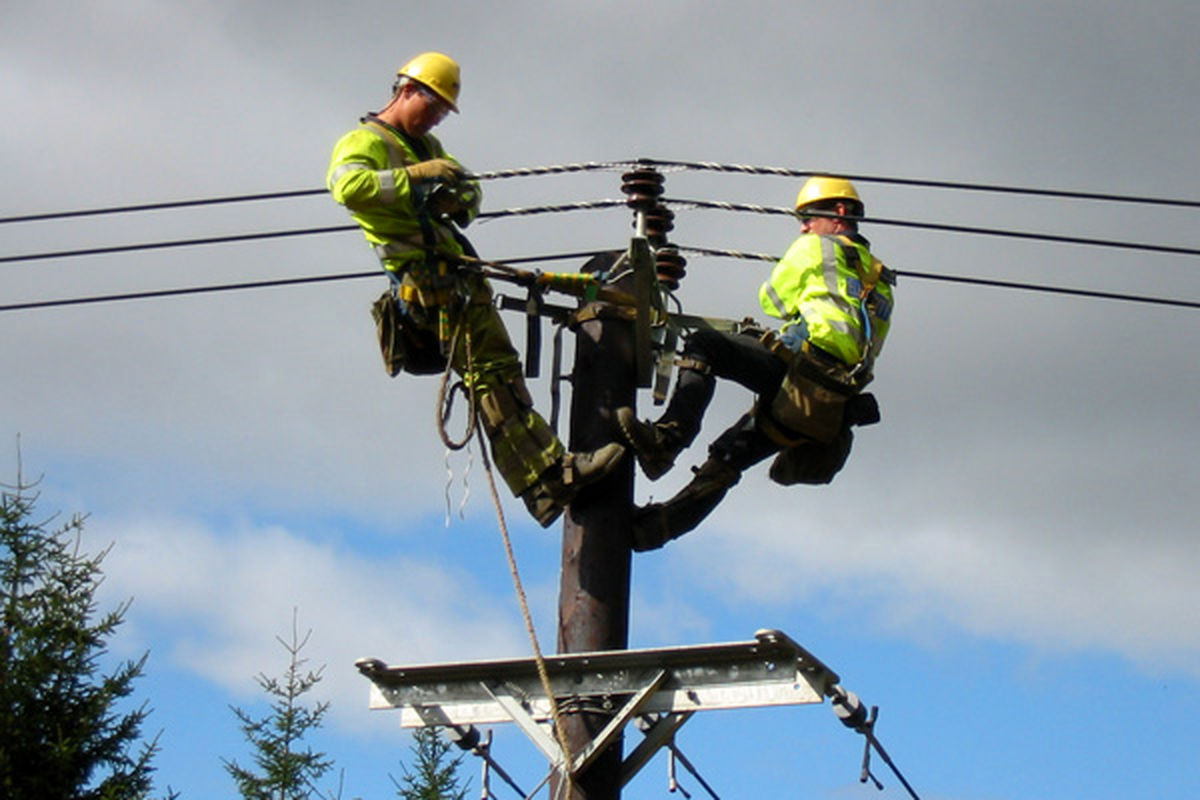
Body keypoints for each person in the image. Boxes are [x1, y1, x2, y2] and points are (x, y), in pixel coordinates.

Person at [327, 52, 624, 527]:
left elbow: (470, 189)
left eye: (444, 111)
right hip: (425, 284)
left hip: (456, 278)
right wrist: (414, 180)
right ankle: (548, 475)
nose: (437, 117)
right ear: (406, 91)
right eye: (434, 106)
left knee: (498, 374)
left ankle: (546, 482)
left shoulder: (428, 146)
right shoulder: (364, 141)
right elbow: (348, 187)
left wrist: (458, 197)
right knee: (491, 375)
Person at [616, 177, 895, 550]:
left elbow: (773, 301)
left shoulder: (814, 247)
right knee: (728, 457)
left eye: (809, 217)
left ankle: (667, 441)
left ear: (839, 212)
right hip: (828, 402)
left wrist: (803, 296)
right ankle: (656, 530)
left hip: (803, 369)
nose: (804, 226)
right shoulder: (882, 279)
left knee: (704, 345)